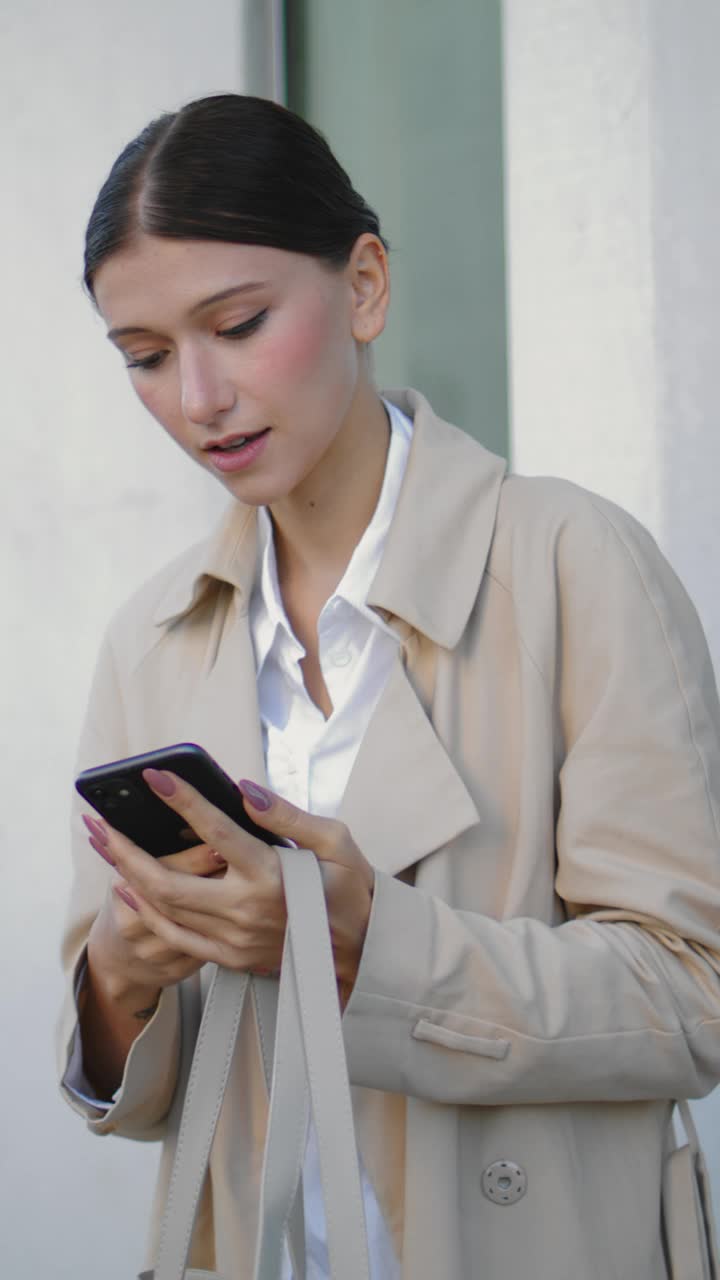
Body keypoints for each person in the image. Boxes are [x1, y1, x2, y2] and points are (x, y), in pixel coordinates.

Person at [57, 93, 720, 1280]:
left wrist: (368, 945)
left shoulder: (572, 561)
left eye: (240, 322)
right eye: (147, 358)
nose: (198, 398)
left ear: (364, 284)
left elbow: (695, 993)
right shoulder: (150, 641)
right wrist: (121, 972)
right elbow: (133, 1093)